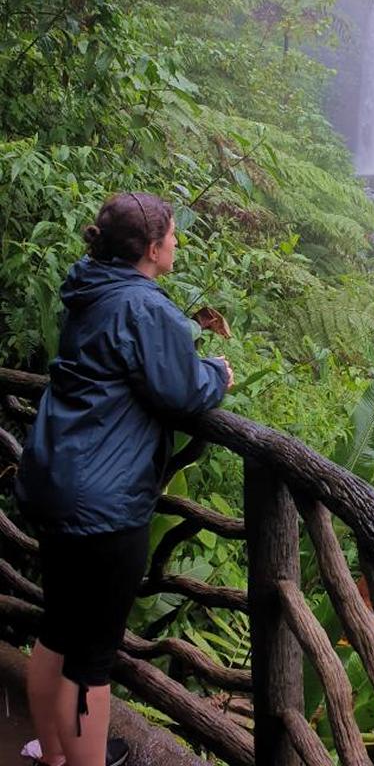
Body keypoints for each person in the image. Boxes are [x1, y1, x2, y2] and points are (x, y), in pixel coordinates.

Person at [15, 192, 233, 766]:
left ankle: (55, 752)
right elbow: (182, 391)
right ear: (154, 247)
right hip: (103, 502)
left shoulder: (89, 287)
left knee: (58, 630)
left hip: (57, 478)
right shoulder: (145, 307)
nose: (178, 242)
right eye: (173, 234)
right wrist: (218, 372)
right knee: (91, 657)